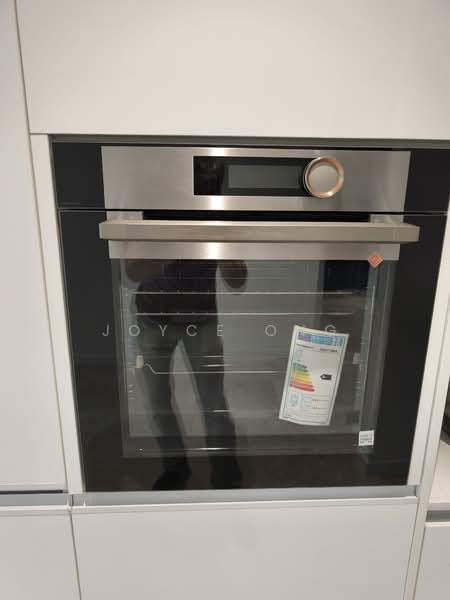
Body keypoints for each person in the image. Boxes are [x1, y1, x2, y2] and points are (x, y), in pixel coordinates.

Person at [126, 259, 247, 490]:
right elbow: (131, 271)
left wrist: (226, 252)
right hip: (156, 316)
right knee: (159, 401)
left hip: (196, 316)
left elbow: (237, 280)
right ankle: (177, 467)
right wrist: (165, 249)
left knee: (212, 402)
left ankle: (221, 467)